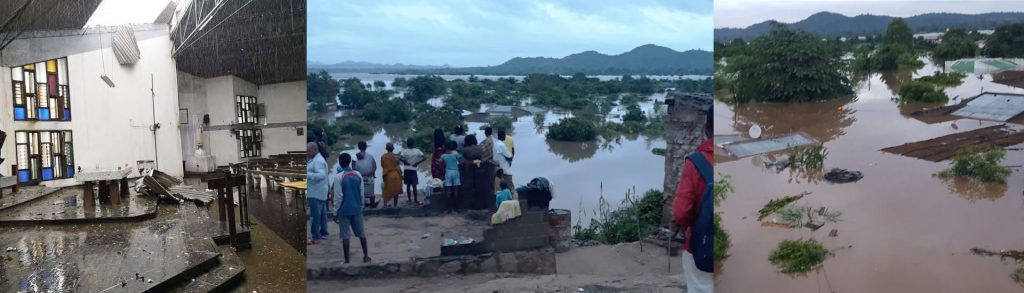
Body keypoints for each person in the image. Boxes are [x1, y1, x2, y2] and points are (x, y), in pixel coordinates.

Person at [672, 106, 714, 293]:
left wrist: (698, 225)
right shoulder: (747, 158)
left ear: (706, 129)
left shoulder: (696, 163)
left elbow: (681, 212)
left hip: (702, 247)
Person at [333, 153, 371, 264]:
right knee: (361, 234)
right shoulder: (358, 174)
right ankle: (366, 256)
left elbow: (338, 197)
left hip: (344, 210)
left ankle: (347, 260)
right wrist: (361, 206)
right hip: (357, 208)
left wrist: (335, 212)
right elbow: (362, 193)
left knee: (345, 236)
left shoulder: (338, 177)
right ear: (350, 161)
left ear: (340, 162)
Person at [306, 142, 329, 245]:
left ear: (315, 150)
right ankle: (324, 233)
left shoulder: (318, 161)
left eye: (308, 150)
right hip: (321, 191)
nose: (306, 152)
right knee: (323, 215)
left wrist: (307, 174)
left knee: (314, 216)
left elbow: (322, 175)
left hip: (315, 192)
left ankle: (315, 237)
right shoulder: (317, 159)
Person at [399, 138, 425, 205]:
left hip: (407, 170)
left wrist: (405, 162)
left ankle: (409, 200)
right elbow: (424, 158)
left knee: (408, 185)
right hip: (413, 170)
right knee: (414, 186)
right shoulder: (417, 150)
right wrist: (417, 163)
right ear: (413, 144)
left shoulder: (404, 151)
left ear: (407, 144)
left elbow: (400, 158)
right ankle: (416, 200)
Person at [440, 141, 464, 213]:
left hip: (448, 172)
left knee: (448, 191)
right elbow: (461, 161)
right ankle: (456, 208)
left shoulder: (443, 156)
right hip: (455, 172)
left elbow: (440, 164)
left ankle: (449, 208)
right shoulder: (455, 154)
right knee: (456, 190)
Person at [352, 141, 377, 207]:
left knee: (359, 192)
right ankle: (372, 204)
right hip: (369, 177)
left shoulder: (355, 157)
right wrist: (372, 174)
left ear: (358, 147)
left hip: (358, 177)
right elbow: (374, 167)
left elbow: (353, 168)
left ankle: (360, 204)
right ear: (366, 147)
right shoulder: (370, 156)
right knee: (371, 193)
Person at [381, 143, 404, 208]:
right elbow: (398, 165)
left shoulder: (383, 156)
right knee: (396, 191)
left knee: (386, 191)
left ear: (386, 149)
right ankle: (395, 205)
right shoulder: (396, 156)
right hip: (396, 175)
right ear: (393, 148)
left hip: (388, 176)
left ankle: (385, 205)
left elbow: (383, 165)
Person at [494, 129, 514, 193]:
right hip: (505, 169)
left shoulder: (495, 144)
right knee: (511, 189)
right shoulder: (502, 145)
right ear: (503, 136)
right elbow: (509, 157)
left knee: (501, 189)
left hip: (498, 169)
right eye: (505, 135)